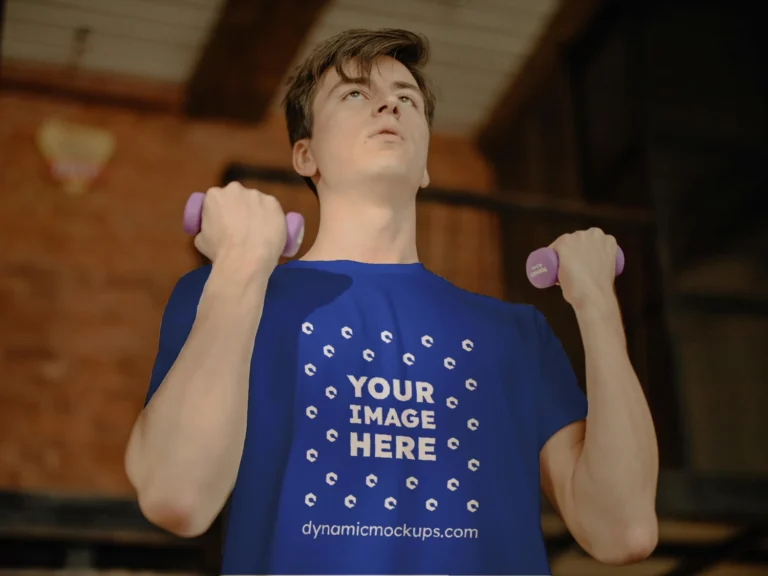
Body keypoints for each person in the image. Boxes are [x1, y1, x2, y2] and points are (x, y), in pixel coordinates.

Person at [125, 28, 659, 575]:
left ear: (426, 164)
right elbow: (176, 496)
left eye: (407, 98)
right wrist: (239, 265)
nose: (388, 103)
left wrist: (596, 304)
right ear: (305, 155)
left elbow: (623, 531)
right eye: (354, 93)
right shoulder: (227, 296)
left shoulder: (514, 333)